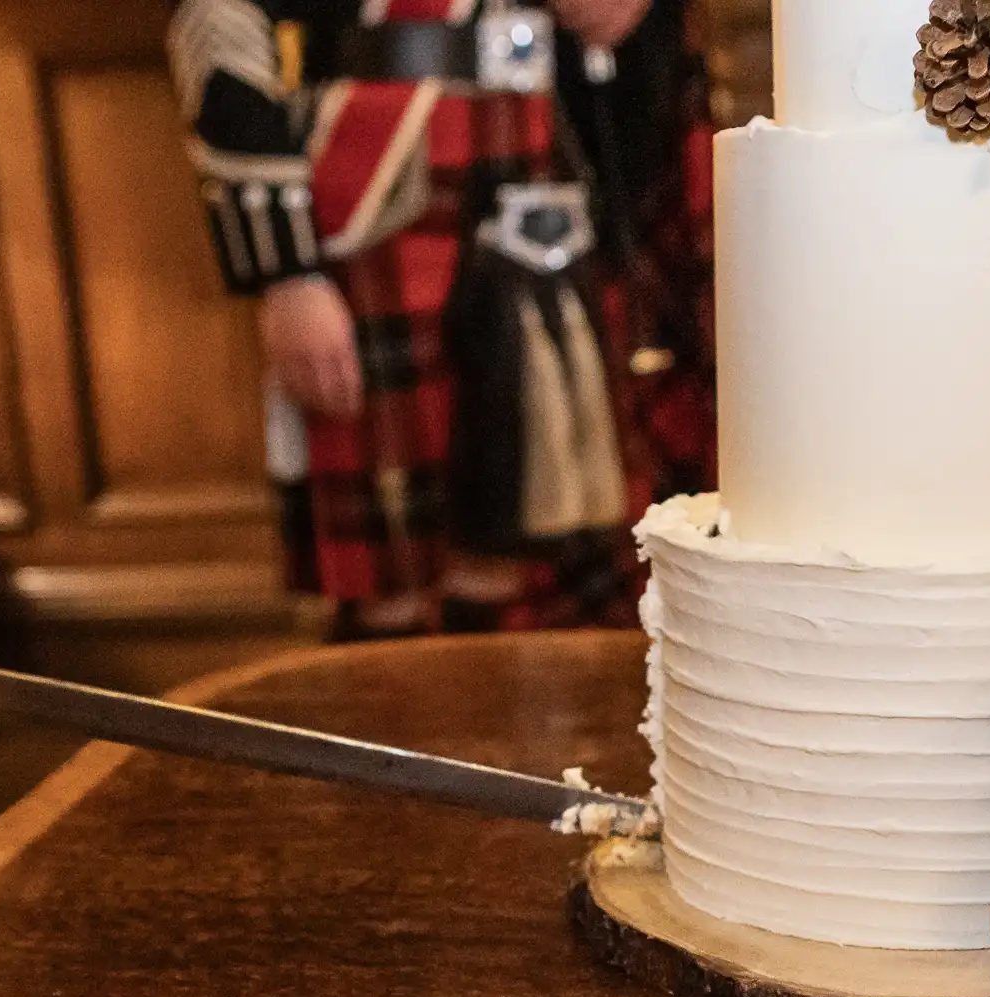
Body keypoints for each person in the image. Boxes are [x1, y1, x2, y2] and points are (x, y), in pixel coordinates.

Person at [168, 0, 655, 639]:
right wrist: (284, 266)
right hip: (370, 205)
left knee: (522, 525)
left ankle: (503, 730)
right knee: (388, 569)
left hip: (533, 166)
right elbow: (218, 22)